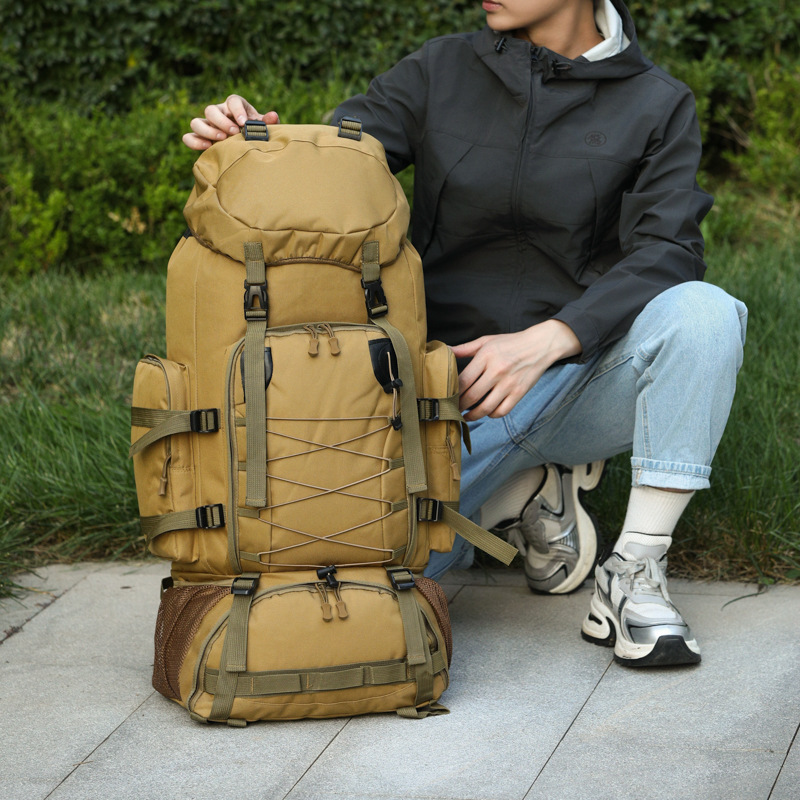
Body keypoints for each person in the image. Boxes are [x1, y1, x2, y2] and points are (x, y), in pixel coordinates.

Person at [183, 0, 747, 667]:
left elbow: (668, 250)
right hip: (433, 406)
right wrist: (258, 145)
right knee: (367, 585)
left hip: (570, 384)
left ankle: (634, 571)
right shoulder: (439, 69)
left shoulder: (657, 103)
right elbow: (337, 166)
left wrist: (552, 339)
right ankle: (526, 494)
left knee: (706, 312)